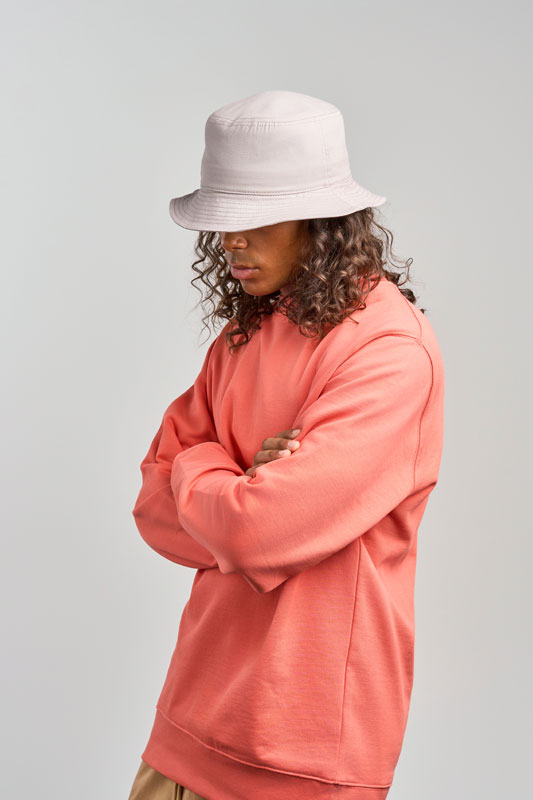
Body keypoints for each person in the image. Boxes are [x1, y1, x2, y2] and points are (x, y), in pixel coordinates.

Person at [127, 90, 445, 800]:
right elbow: (152, 506)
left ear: (321, 221)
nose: (229, 241)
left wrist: (202, 475)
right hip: (185, 725)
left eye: (252, 219)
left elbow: (255, 532)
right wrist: (223, 470)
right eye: (223, 221)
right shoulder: (243, 336)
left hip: (301, 753)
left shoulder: (389, 353)